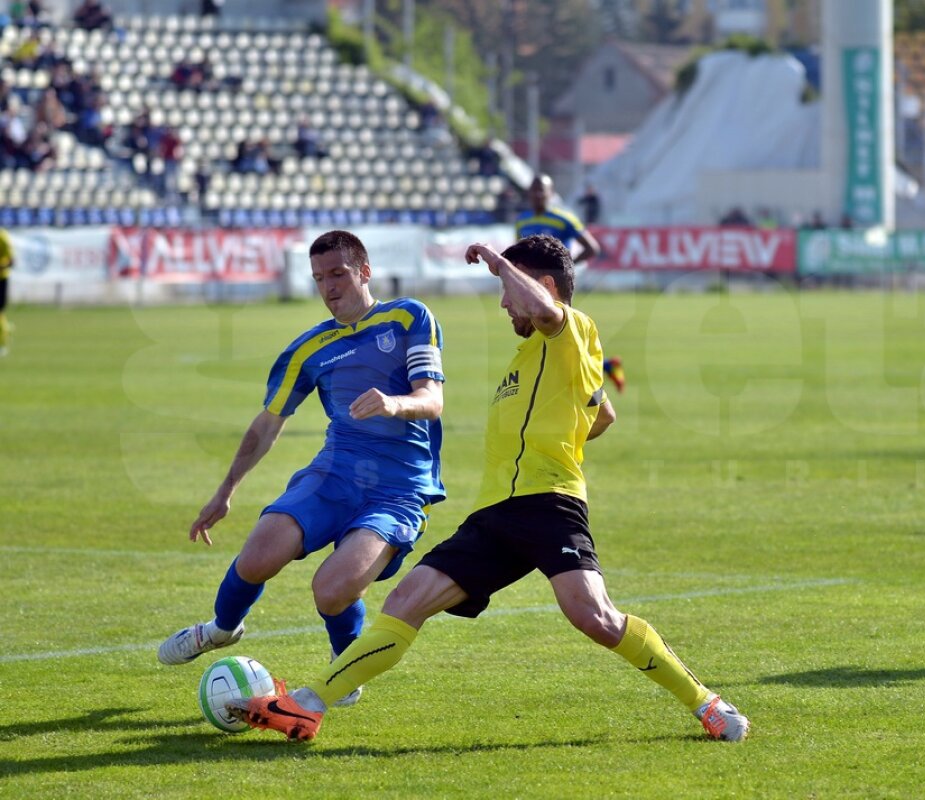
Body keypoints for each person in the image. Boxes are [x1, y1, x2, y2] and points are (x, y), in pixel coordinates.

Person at [229, 235, 749, 743]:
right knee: (406, 601)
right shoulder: (537, 356)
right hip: (496, 514)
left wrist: (499, 262)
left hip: (550, 505)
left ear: (539, 285)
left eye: (508, 292)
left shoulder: (570, 328)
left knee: (595, 617)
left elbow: (546, 313)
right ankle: (307, 705)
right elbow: (603, 413)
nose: (504, 304)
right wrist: (568, 426)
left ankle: (706, 703)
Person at [157, 230, 447, 712]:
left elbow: (432, 399)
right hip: (332, 476)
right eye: (319, 278)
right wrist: (226, 489)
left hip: (398, 490)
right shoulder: (309, 349)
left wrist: (393, 404)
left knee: (331, 589)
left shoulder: (408, 316)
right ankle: (220, 630)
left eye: (338, 274)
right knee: (256, 557)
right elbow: (268, 422)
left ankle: (343, 663)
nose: (329, 287)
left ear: (364, 272)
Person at [516, 175, 625, 392]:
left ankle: (592, 392)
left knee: (560, 338)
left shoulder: (564, 219)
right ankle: (603, 368)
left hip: (554, 290)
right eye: (534, 190)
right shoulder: (523, 220)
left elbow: (591, 247)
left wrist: (563, 268)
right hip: (531, 291)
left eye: (542, 190)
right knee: (551, 340)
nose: (538, 195)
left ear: (551, 193)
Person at [0, 226, 14, 357]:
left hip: (1, 278)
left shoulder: (2, 237)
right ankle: (6, 330)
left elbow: (11, 261)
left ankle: (2, 343)